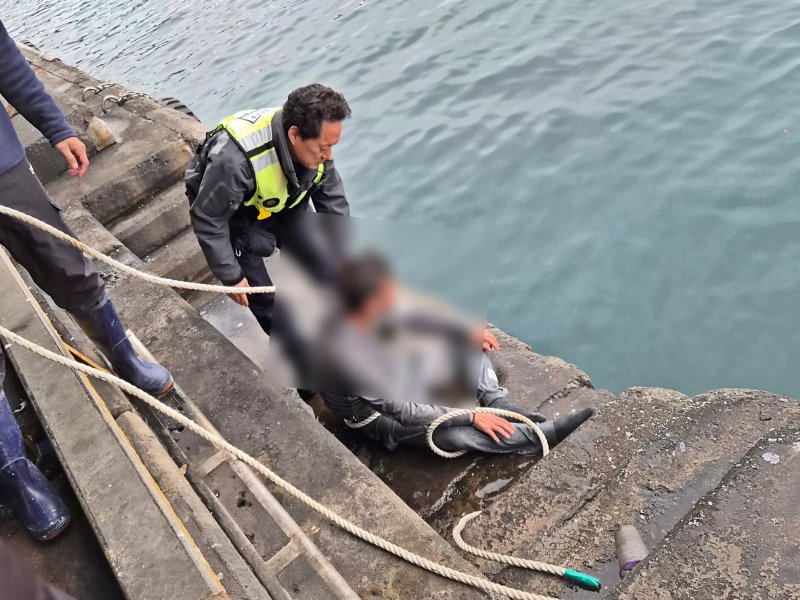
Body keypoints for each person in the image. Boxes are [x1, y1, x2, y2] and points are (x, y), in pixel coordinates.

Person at [0, 19, 173, 541]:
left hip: (3, 169)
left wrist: (57, 128)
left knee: (67, 265)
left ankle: (125, 359)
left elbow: (8, 64)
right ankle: (16, 472)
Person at [313, 252, 595, 456]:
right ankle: (538, 436)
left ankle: (496, 401)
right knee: (454, 434)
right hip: (380, 417)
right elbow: (404, 410)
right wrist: (470, 416)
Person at [186, 84, 351, 335]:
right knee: (261, 295)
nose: (329, 156)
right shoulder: (234, 162)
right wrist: (230, 276)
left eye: (332, 146)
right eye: (322, 148)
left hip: (282, 198)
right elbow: (209, 218)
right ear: (294, 135)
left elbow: (332, 201)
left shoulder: (318, 146)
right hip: (232, 211)